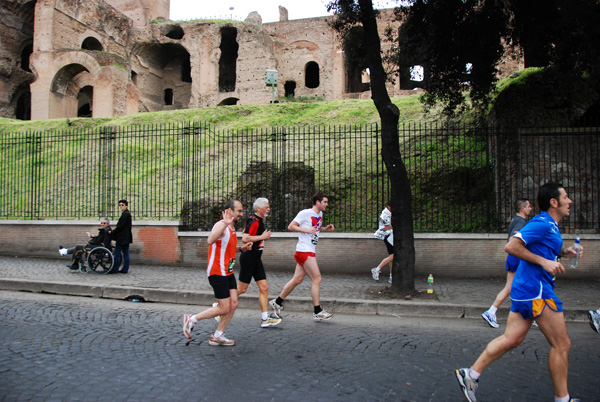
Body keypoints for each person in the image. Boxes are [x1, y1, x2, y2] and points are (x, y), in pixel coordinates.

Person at [455, 182, 583, 402]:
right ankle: (563, 400)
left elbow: (543, 248)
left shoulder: (550, 225)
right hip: (538, 292)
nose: (570, 201)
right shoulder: (542, 223)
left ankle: (470, 374)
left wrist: (564, 253)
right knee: (561, 345)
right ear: (554, 202)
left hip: (525, 290)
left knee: (511, 339)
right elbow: (512, 246)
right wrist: (545, 262)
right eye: (566, 197)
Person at [182, 199, 253, 346]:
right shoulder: (222, 225)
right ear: (229, 211)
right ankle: (192, 318)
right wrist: (225, 224)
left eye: (241, 210)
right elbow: (210, 240)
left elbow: (228, 248)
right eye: (239, 211)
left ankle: (217, 335)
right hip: (217, 272)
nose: (241, 213)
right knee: (224, 307)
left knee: (233, 303)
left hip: (228, 271)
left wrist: (242, 249)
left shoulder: (232, 228)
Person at [269, 191, 335, 321]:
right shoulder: (305, 213)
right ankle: (317, 311)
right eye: (325, 202)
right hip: (305, 250)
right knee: (317, 279)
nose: (327, 204)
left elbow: (314, 227)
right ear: (318, 202)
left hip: (307, 249)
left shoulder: (319, 214)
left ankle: (277, 302)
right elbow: (291, 226)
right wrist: (306, 230)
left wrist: (325, 229)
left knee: (297, 279)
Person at [481, 198, 532, 328]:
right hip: (517, 258)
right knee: (514, 286)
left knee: (521, 286)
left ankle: (532, 314)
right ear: (522, 208)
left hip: (514, 257)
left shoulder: (515, 220)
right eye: (529, 206)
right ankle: (491, 311)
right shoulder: (520, 222)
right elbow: (512, 241)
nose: (530, 209)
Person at [237, 197, 282, 328]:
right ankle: (220, 304)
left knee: (264, 287)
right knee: (242, 289)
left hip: (256, 258)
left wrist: (261, 239)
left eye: (268, 207)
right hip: (249, 258)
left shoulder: (258, 221)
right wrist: (262, 237)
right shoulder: (254, 221)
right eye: (266, 207)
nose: (268, 209)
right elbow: (245, 238)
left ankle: (264, 318)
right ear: (258, 209)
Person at [370, 202, 393, 284]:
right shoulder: (385, 214)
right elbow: (386, 228)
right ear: (389, 206)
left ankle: (391, 276)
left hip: (390, 235)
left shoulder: (389, 212)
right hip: (388, 236)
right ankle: (377, 269)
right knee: (393, 255)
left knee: (392, 256)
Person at [108, 199, 133, 274]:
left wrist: (112, 232)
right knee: (125, 253)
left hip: (122, 237)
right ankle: (125, 269)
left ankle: (115, 269)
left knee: (117, 253)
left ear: (126, 205)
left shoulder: (125, 214)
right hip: (126, 237)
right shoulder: (126, 214)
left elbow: (120, 226)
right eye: (120, 205)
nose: (121, 206)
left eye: (122, 205)